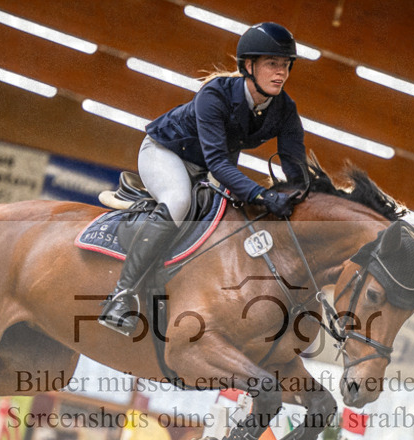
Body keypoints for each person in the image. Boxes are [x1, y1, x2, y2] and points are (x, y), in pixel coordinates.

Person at [99, 21, 308, 335]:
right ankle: (121, 295)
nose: (281, 73)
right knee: (179, 200)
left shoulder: (285, 109)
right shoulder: (215, 94)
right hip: (166, 153)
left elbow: (296, 168)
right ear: (249, 66)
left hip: (208, 168)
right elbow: (219, 164)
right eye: (272, 64)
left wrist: (300, 196)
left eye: (286, 65)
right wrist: (262, 195)